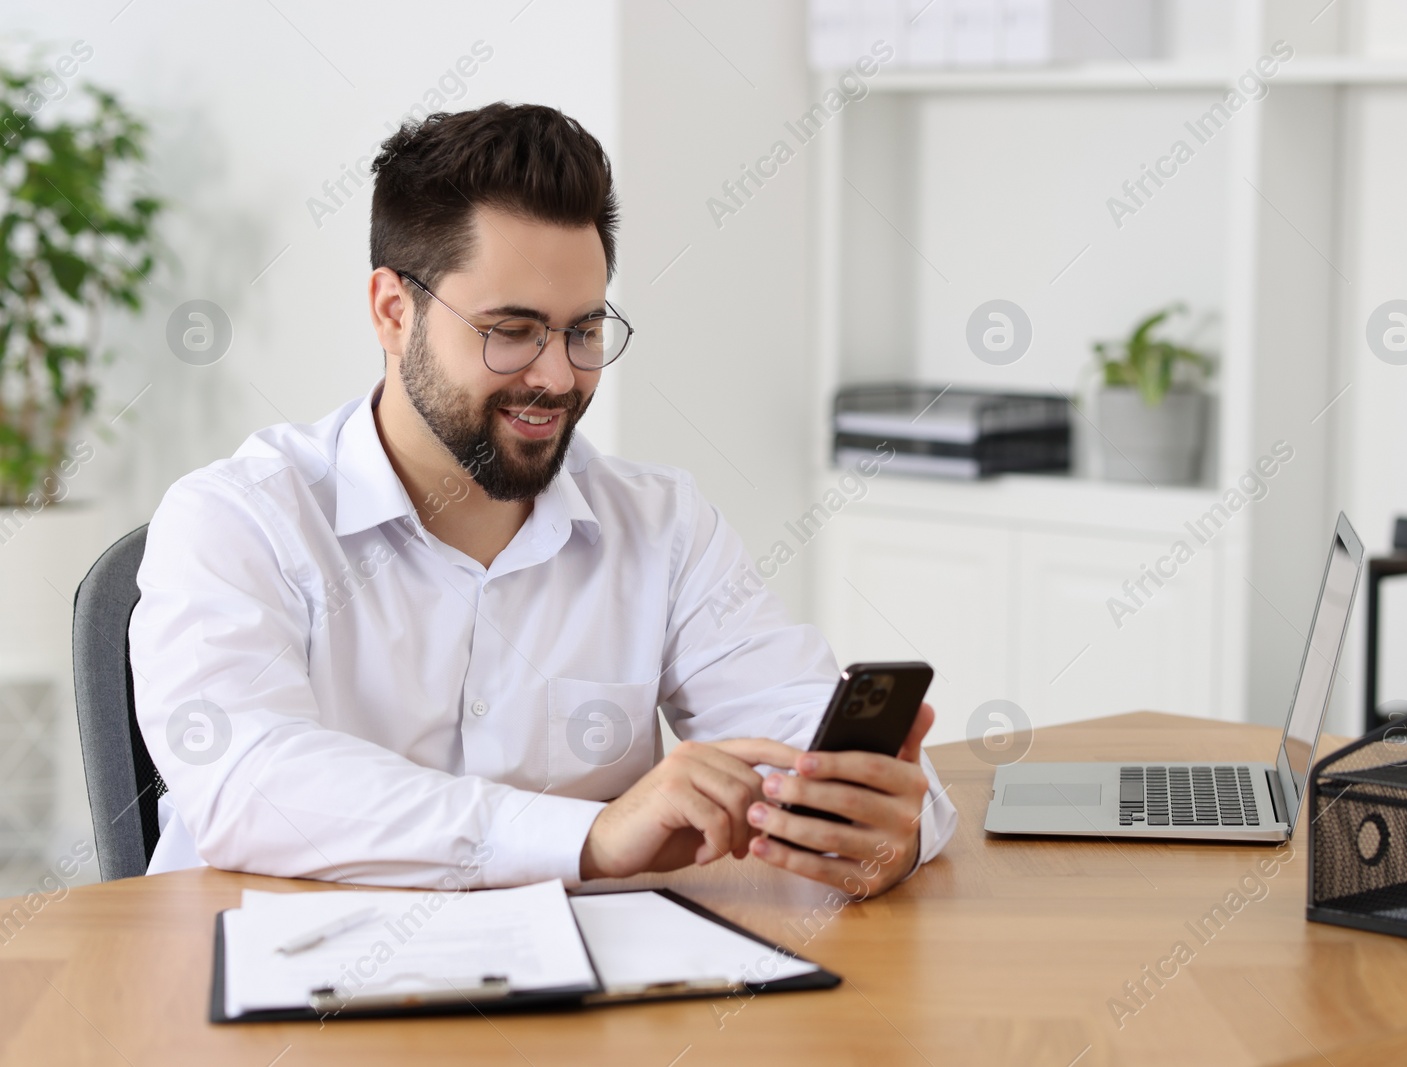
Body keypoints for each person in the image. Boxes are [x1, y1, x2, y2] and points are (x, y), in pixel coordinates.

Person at [130, 102, 957, 897]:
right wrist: (587, 837)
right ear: (393, 310)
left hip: (581, 1012)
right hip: (280, 1009)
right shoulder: (236, 519)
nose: (557, 376)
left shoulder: (663, 526)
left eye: (584, 330)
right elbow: (252, 781)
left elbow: (797, 729)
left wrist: (884, 826)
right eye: (512, 330)